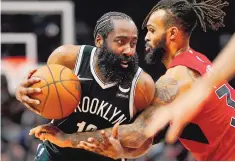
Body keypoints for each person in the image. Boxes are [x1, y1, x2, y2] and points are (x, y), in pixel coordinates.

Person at [29, 0, 235, 160]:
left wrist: (66, 139)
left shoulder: (176, 79)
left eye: (152, 30)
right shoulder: (201, 62)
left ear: (172, 34)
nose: (145, 37)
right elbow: (146, 139)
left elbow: (136, 134)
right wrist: (121, 154)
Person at [15, 12, 155, 160]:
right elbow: (37, 92)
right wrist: (23, 93)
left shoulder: (142, 85)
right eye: (121, 42)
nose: (129, 51)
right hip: (56, 154)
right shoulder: (67, 58)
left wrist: (124, 153)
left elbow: (145, 141)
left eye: (133, 43)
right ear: (99, 41)